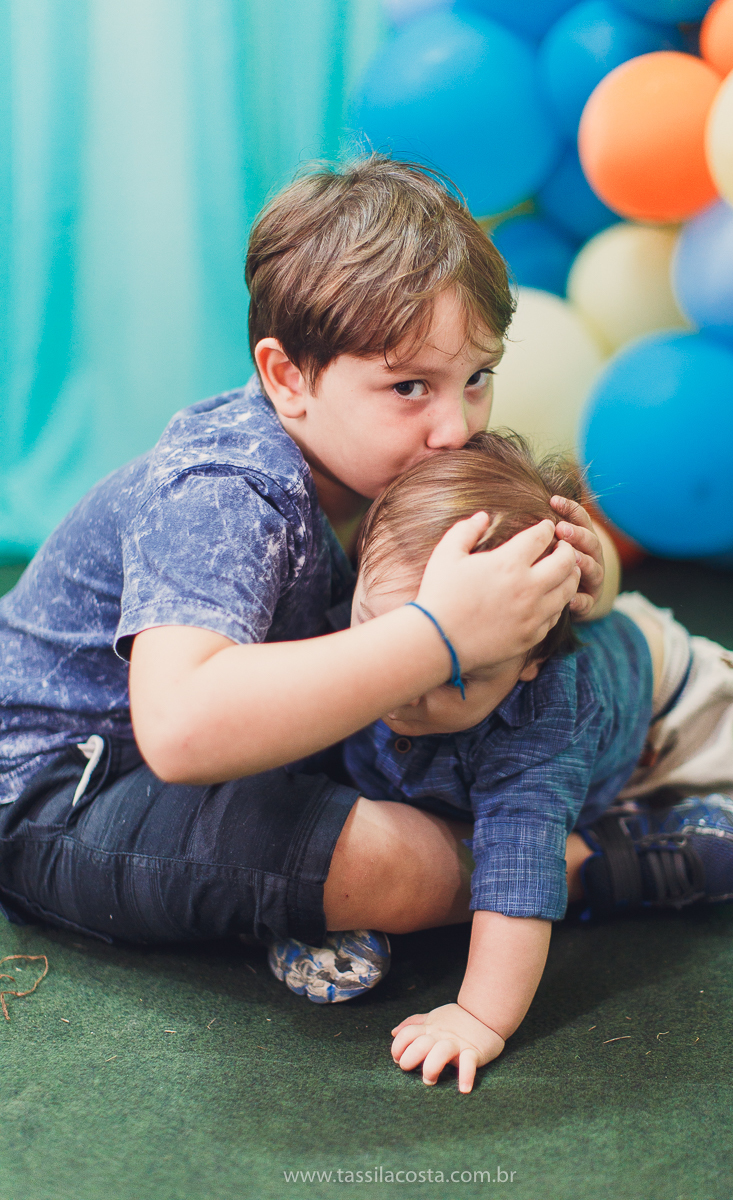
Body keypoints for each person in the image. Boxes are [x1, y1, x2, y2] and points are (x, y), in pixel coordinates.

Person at [0, 157, 613, 954]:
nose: (456, 428)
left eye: (477, 377)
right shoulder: (224, 488)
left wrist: (575, 577)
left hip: (262, 751)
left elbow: (576, 577)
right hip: (67, 787)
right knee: (394, 859)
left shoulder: (407, 452)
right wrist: (443, 634)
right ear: (287, 377)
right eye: (409, 386)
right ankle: (611, 864)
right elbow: (179, 729)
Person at [270, 431, 733, 1093]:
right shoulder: (364, 622)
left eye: (450, 671)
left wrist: (477, 1016)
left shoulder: (537, 729)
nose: (403, 684)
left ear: (528, 665)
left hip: (672, 708)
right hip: (582, 700)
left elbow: (518, 877)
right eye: (386, 636)